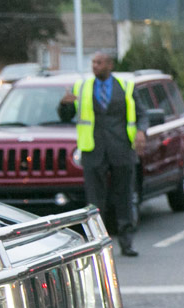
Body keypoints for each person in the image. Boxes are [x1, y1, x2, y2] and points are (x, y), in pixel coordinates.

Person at [58, 52, 147, 257]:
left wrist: (141, 131)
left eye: (98, 63)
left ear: (109, 65)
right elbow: (67, 116)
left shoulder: (126, 87)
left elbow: (142, 114)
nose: (94, 66)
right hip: (93, 150)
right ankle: (98, 244)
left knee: (124, 197)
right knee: (96, 200)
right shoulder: (82, 87)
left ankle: (127, 242)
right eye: (93, 63)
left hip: (122, 149)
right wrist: (65, 104)